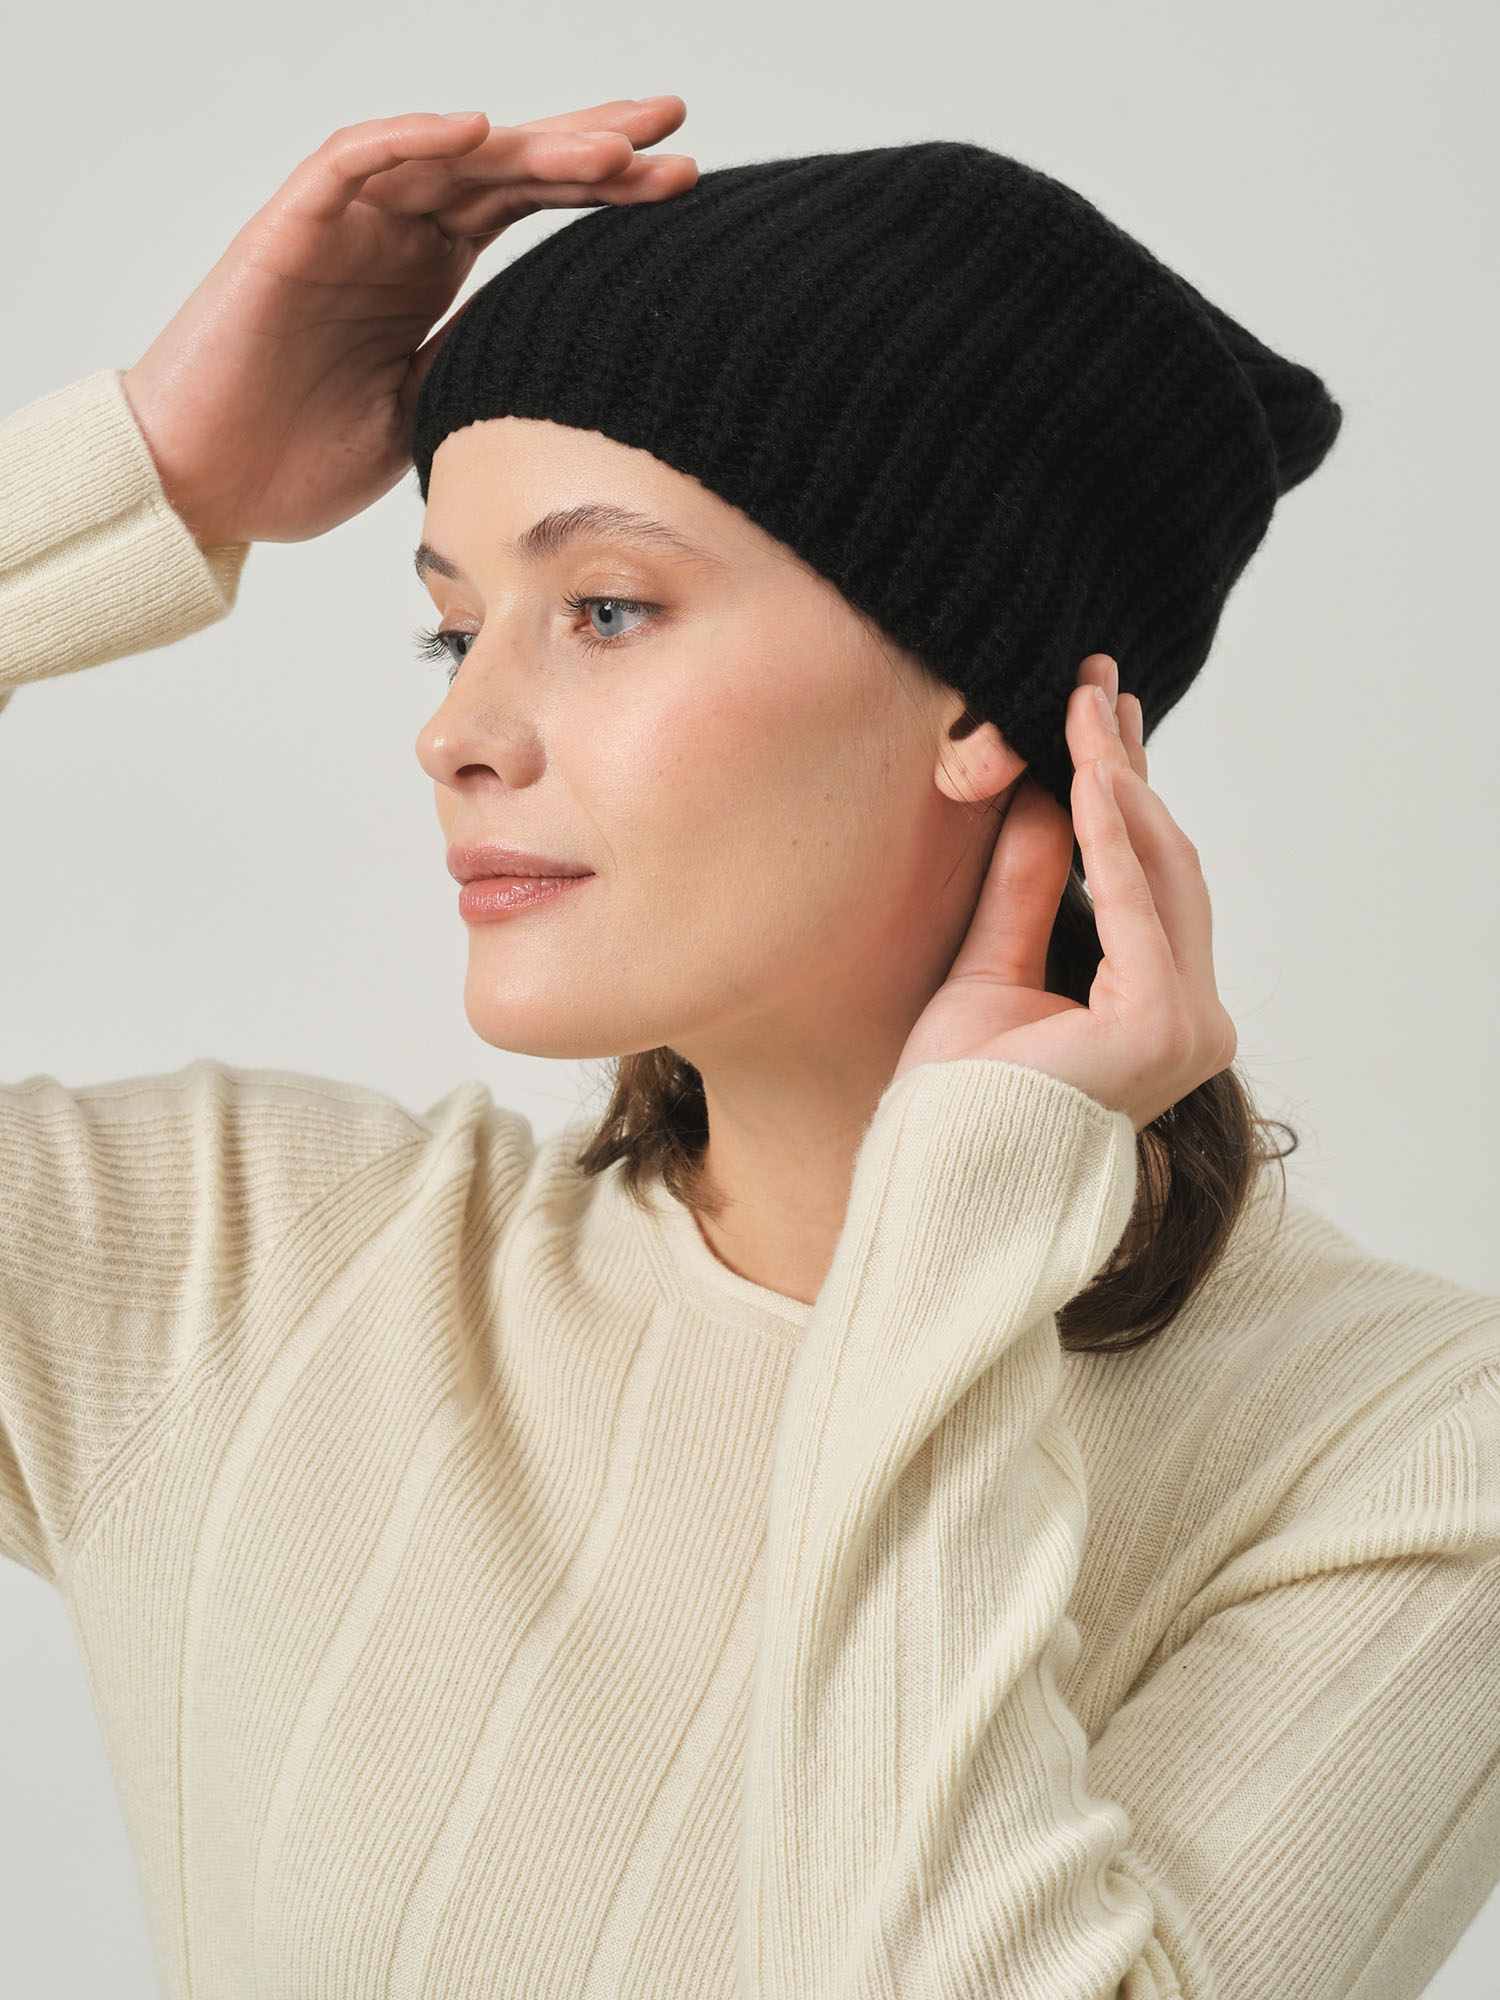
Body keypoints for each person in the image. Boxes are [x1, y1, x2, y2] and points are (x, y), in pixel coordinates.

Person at [1, 96, 1496, 2000]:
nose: (456, 733)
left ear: (982, 697)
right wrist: (148, 477)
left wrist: (950, 1250)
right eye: (453, 632)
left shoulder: (1411, 1452)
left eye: (606, 609)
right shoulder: (239, 1272)